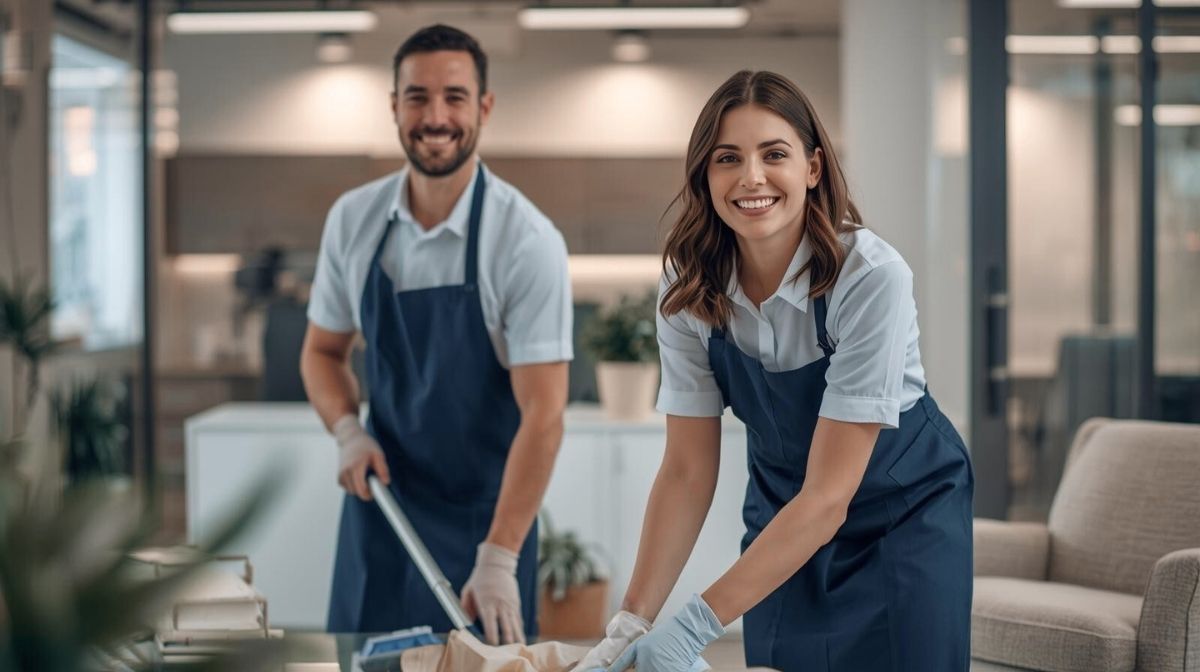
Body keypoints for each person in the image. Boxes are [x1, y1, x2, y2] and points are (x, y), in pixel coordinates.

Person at [575, 70, 974, 672]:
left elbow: (829, 495)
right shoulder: (688, 291)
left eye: (774, 154)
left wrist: (696, 625)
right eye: (727, 158)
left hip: (902, 517)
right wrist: (631, 622)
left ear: (813, 168)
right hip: (784, 520)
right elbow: (686, 471)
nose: (751, 177)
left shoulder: (868, 278)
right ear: (704, 177)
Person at [300, 24, 572, 644]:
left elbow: (545, 417)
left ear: (484, 107)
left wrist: (500, 554)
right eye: (417, 97)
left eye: (454, 97)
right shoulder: (354, 220)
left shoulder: (525, 241)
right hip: (384, 513)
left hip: (488, 523)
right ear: (394, 106)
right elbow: (321, 352)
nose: (436, 116)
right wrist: (346, 430)